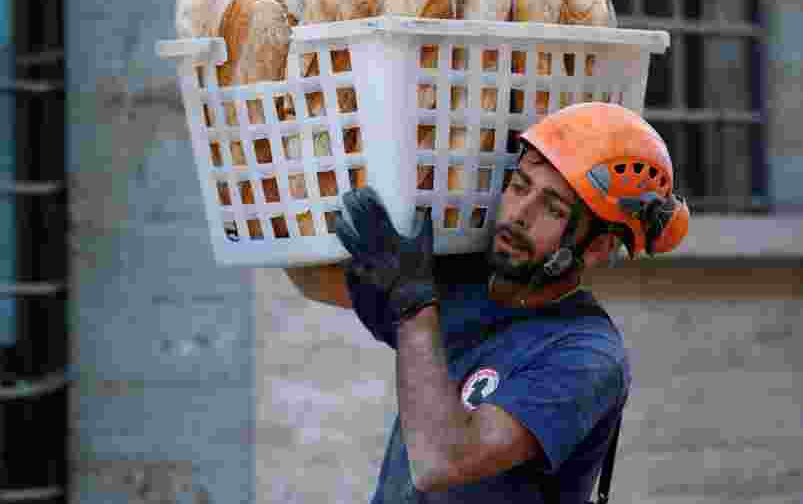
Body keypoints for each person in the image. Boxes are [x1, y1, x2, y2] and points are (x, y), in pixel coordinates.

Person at [285, 102, 690, 503]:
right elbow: (317, 281)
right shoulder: (470, 287)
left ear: (598, 247)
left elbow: (442, 462)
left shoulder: (585, 355)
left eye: (552, 208)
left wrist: (413, 305)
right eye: (519, 186)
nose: (519, 214)